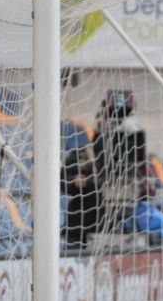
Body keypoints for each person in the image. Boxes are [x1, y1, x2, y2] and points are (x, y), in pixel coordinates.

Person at [61, 90, 148, 250]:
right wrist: (80, 182)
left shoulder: (135, 155)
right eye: (111, 117)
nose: (117, 123)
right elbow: (63, 179)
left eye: (123, 118)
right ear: (101, 120)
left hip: (126, 222)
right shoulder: (84, 155)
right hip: (86, 227)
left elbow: (145, 190)